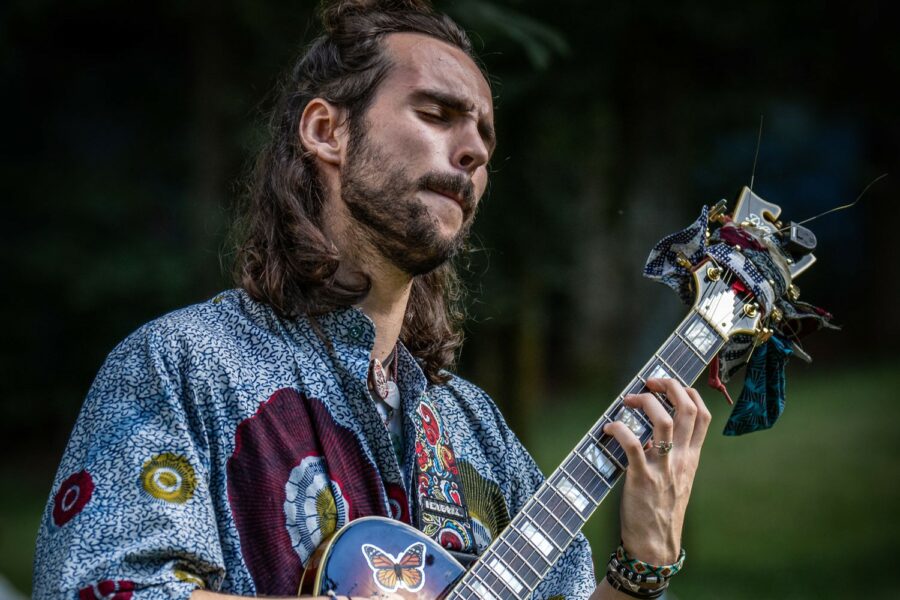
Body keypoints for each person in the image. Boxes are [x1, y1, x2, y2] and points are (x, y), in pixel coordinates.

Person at [33, 1, 711, 599]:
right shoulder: (181, 365)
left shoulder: (480, 435)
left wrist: (640, 567)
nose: (473, 149)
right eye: (438, 114)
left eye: (484, 136)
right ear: (327, 131)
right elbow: (104, 587)